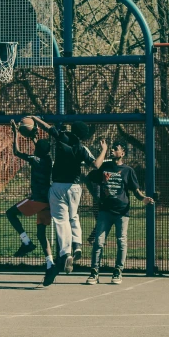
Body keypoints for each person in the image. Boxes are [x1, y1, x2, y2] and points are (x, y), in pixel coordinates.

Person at [31, 117, 107, 286]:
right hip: (74, 187)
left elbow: (47, 127)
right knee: (73, 217)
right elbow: (96, 165)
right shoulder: (82, 148)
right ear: (84, 136)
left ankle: (66, 253)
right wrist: (104, 150)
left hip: (58, 185)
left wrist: (36, 118)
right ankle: (78, 244)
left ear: (73, 130)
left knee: (60, 220)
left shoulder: (62, 137)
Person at [85, 141, 153, 285]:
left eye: (116, 149)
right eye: (112, 148)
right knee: (98, 242)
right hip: (105, 211)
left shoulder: (128, 170)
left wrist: (144, 198)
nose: (113, 150)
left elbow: (135, 191)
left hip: (122, 211)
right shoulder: (104, 167)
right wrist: (95, 196)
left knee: (121, 241)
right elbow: (89, 178)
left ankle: (118, 271)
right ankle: (94, 272)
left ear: (122, 153)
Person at [5, 120, 54, 269]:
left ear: (37, 151)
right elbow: (40, 148)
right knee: (41, 234)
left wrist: (15, 134)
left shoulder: (35, 159)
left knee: (10, 213)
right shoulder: (48, 159)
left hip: (37, 200)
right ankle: (49, 263)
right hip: (48, 201)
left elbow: (16, 152)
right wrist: (34, 136)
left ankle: (26, 242)